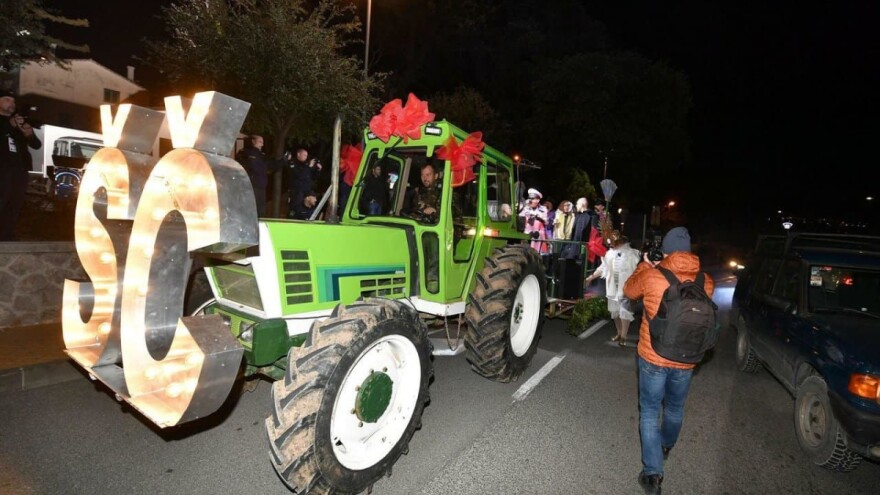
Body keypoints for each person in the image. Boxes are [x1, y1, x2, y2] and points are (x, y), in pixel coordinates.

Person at [623, 226, 715, 494]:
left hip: (653, 356)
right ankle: (665, 446)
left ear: (665, 250)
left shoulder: (653, 275)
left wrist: (645, 264)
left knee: (650, 411)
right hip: (687, 359)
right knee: (675, 408)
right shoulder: (706, 281)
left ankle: (653, 474)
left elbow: (629, 291)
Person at [583, 232, 640, 345]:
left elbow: (638, 271)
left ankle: (623, 336)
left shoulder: (633, 254)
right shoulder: (609, 254)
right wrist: (590, 278)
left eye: (613, 242)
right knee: (615, 312)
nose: (611, 245)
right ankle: (619, 333)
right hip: (612, 288)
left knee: (625, 312)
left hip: (626, 288)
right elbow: (602, 268)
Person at [0, 90, 42, 241]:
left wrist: (29, 134)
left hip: (20, 167)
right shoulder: (7, 122)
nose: (12, 104)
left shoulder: (19, 121)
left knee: (15, 201)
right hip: (2, 166)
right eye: (7, 100)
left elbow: (36, 145)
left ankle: (6, 234)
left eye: (13, 101)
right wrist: (9, 125)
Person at [236, 134, 279, 217]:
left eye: (262, 142)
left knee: (261, 210)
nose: (262, 144)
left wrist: (280, 162)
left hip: (261, 186)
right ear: (253, 141)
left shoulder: (260, 154)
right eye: (260, 142)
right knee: (252, 209)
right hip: (252, 186)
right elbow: (260, 167)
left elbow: (268, 165)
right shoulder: (247, 153)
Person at [284, 148, 321, 219]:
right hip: (296, 192)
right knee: (295, 210)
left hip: (306, 192)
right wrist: (308, 167)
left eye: (306, 155)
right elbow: (299, 175)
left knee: (305, 211)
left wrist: (318, 170)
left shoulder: (306, 165)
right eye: (304, 155)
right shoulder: (293, 163)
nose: (306, 157)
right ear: (298, 154)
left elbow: (313, 177)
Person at [518, 188, 548, 254]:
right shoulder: (525, 208)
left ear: (538, 200)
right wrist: (524, 205)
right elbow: (519, 216)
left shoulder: (543, 209)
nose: (530, 201)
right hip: (527, 234)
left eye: (533, 199)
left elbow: (546, 222)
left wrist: (536, 215)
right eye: (530, 199)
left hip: (537, 236)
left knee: (537, 254)